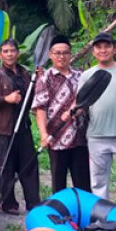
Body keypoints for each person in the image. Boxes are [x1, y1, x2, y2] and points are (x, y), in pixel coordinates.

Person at [0, 39, 40, 213]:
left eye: (12, 50)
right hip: (3, 130)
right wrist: (5, 99)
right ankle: (9, 204)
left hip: (23, 128)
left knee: (29, 165)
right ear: (1, 54)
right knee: (6, 167)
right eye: (5, 51)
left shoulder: (26, 74)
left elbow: (34, 97)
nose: (10, 54)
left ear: (17, 53)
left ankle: (33, 203)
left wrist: (39, 79)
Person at [80, 32, 116, 209]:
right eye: (98, 47)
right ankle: (102, 216)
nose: (103, 50)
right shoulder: (87, 75)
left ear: (114, 49)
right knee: (98, 181)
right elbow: (81, 104)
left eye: (107, 46)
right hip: (96, 136)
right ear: (93, 52)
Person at [32, 35, 90, 193]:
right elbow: (40, 108)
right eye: (57, 53)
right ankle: (59, 213)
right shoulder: (45, 78)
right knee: (58, 181)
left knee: (83, 181)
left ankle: (83, 214)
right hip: (56, 138)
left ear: (70, 54)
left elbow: (88, 101)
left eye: (65, 53)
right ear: (50, 55)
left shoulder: (81, 76)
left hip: (80, 137)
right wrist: (43, 134)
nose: (61, 56)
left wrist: (78, 108)